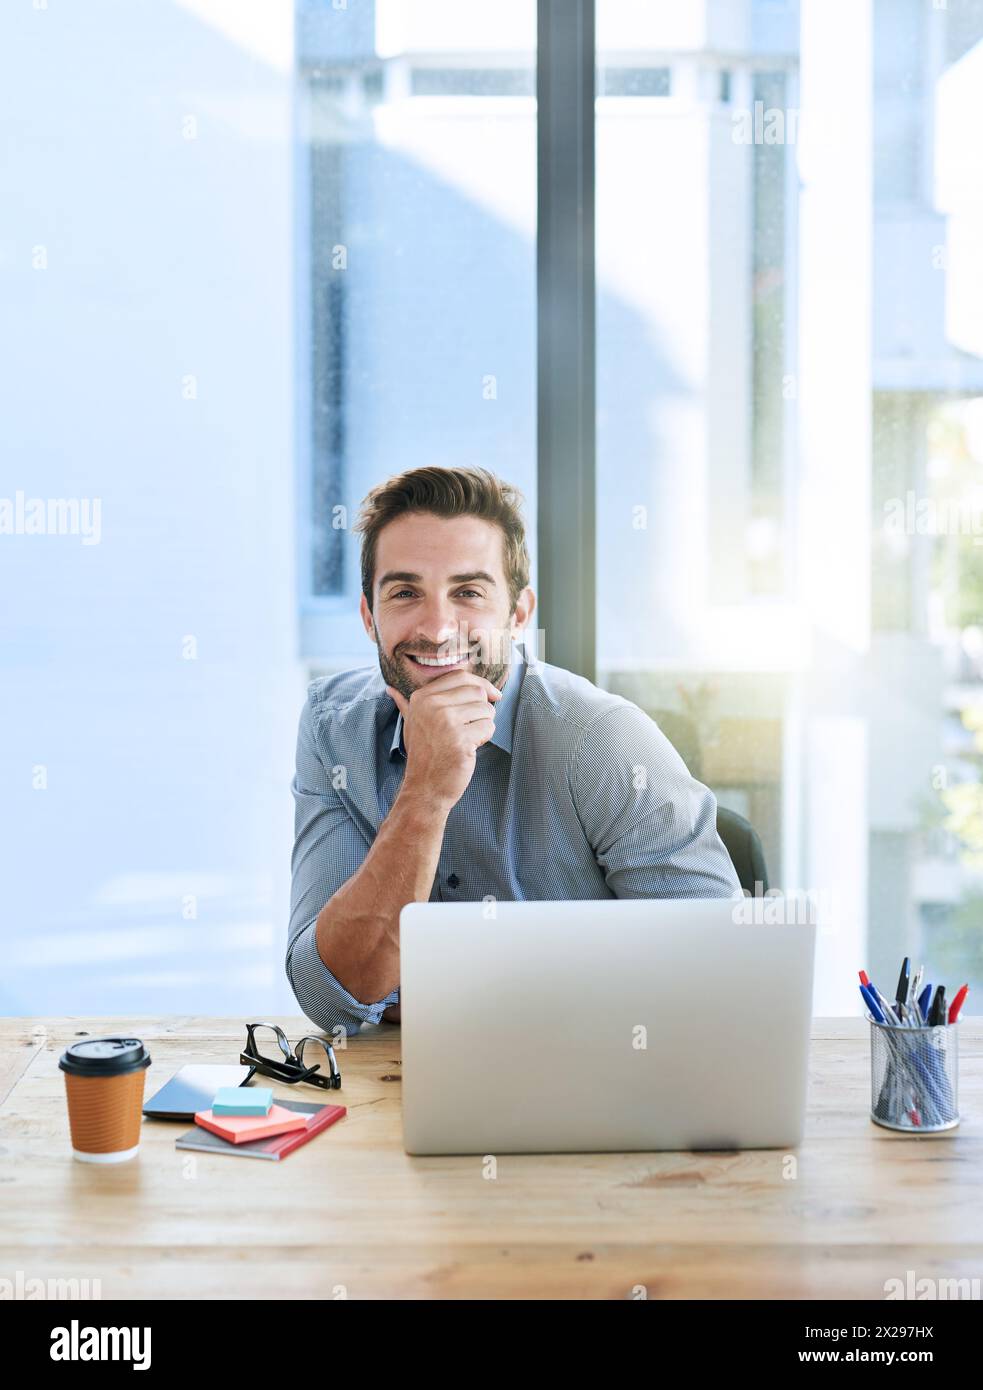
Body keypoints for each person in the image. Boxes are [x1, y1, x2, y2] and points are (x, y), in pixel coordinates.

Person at [286, 466, 740, 1036]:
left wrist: (438, 987)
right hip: (400, 1087)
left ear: (518, 614)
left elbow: (720, 973)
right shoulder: (333, 728)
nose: (437, 626)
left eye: (468, 593)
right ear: (367, 616)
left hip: (594, 1080)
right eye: (405, 593)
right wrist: (426, 789)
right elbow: (331, 995)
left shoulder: (600, 739)